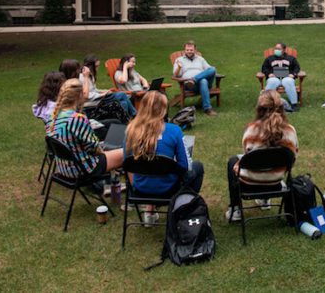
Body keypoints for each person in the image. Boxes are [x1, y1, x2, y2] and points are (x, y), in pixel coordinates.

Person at [125, 90, 205, 225]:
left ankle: (149, 211)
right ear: (163, 109)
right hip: (168, 188)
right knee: (197, 167)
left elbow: (127, 163)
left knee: (151, 169)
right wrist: (170, 163)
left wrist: (135, 185)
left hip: (140, 188)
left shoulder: (130, 131)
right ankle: (182, 208)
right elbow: (185, 166)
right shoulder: (174, 130)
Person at [225, 90, 299, 222]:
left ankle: (235, 209)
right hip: (275, 182)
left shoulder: (251, 129)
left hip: (249, 183)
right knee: (263, 160)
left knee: (233, 161)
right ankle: (265, 201)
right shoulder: (290, 131)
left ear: (259, 108)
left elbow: (247, 154)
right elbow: (292, 159)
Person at [45, 78, 124, 179]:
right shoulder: (77, 119)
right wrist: (105, 149)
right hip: (83, 169)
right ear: (80, 96)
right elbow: (94, 148)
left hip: (63, 168)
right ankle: (128, 188)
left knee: (110, 149)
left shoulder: (52, 117)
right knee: (127, 152)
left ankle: (110, 181)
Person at [79, 54, 137, 119]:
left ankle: (124, 121)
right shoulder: (82, 77)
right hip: (93, 102)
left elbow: (93, 90)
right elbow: (86, 95)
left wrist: (104, 91)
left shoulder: (90, 75)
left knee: (123, 103)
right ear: (89, 66)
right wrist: (101, 95)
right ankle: (135, 115)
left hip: (98, 98)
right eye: (96, 66)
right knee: (122, 95)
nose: (97, 68)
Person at [173, 40, 218, 116]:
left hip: (200, 82)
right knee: (203, 81)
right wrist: (179, 68)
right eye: (187, 50)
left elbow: (209, 69)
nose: (189, 51)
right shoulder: (179, 60)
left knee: (212, 69)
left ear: (195, 50)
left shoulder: (200, 59)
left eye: (191, 50)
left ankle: (194, 79)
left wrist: (198, 77)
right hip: (189, 85)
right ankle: (208, 109)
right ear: (185, 50)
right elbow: (176, 75)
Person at [261, 43, 301, 110]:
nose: (276, 50)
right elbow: (264, 68)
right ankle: (265, 103)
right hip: (274, 77)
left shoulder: (291, 59)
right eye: (275, 48)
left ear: (284, 50)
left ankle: (294, 104)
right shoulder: (269, 59)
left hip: (287, 77)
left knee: (288, 81)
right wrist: (268, 74)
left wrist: (293, 74)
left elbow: (297, 68)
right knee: (272, 81)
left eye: (279, 49)